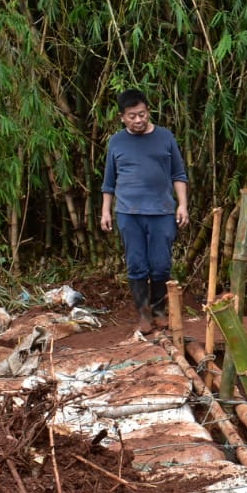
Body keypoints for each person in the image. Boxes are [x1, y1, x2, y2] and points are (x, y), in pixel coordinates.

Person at [100, 88, 190, 333]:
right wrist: (106, 211)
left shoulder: (165, 137)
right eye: (132, 116)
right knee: (137, 264)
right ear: (122, 117)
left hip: (161, 211)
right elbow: (109, 182)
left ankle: (159, 309)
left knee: (161, 264)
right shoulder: (116, 142)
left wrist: (182, 205)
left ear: (148, 111)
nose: (138, 120)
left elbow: (178, 174)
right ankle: (143, 314)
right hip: (128, 212)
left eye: (142, 114)